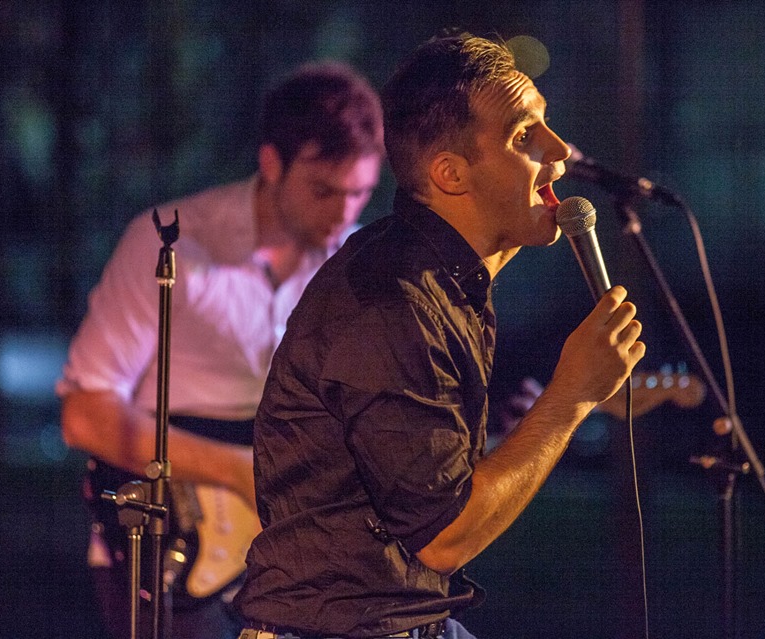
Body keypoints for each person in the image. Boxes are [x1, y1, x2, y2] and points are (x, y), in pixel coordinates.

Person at [234, 33, 647, 639]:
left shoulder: (444, 282)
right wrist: (572, 397)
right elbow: (444, 538)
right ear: (450, 174)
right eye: (523, 135)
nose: (560, 151)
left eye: (546, 123)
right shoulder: (393, 301)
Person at [57, 61, 385, 639]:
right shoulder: (170, 242)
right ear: (272, 163)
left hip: (290, 563)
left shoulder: (357, 270)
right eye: (323, 190)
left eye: (360, 193)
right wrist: (238, 472)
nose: (342, 213)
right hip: (167, 544)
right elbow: (85, 415)